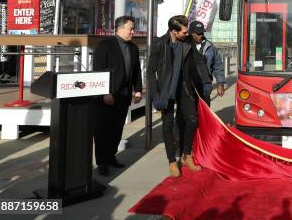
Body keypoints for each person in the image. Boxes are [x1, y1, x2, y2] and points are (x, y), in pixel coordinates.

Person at [147, 15, 203, 177]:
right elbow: (150, 71)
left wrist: (204, 84)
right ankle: (172, 161)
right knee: (167, 126)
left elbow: (197, 64)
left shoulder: (187, 42)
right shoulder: (159, 44)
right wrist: (155, 95)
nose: (187, 34)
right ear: (173, 31)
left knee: (192, 120)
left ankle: (186, 155)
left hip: (184, 88)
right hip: (166, 91)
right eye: (184, 32)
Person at [93, 15, 143, 176]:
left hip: (124, 95)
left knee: (117, 129)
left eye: (133, 28)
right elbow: (98, 71)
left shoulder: (133, 48)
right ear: (120, 28)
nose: (133, 31)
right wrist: (105, 92)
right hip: (108, 95)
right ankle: (102, 163)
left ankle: (111, 156)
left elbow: (136, 71)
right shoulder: (105, 45)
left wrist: (138, 89)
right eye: (131, 28)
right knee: (103, 130)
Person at [188, 21, 225, 106]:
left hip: (205, 84)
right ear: (191, 33)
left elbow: (218, 66)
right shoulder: (184, 45)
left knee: (204, 110)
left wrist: (220, 83)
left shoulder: (211, 47)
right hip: (189, 84)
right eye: (198, 33)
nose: (201, 35)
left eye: (202, 32)